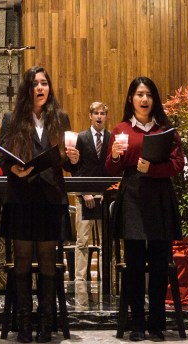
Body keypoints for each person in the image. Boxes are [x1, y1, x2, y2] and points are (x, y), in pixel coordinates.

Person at [0, 66, 75, 343]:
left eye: (44, 83)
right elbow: (2, 158)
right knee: (20, 262)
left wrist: (72, 158)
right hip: (21, 197)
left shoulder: (60, 119)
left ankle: (45, 321)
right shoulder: (12, 119)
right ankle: (23, 322)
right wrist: (14, 170)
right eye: (34, 84)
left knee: (47, 261)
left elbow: (65, 162)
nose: (40, 88)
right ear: (26, 89)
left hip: (50, 199)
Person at [106, 77, 184, 342]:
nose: (144, 99)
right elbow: (111, 168)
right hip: (133, 197)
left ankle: (157, 323)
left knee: (160, 263)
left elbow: (177, 166)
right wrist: (115, 155)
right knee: (135, 263)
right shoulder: (120, 129)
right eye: (139, 94)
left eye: (149, 94)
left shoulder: (165, 130)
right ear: (131, 99)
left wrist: (152, 169)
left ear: (155, 99)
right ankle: (136, 322)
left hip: (160, 195)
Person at [70, 101, 110, 310]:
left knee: (106, 242)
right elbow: (75, 167)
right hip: (84, 196)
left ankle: (106, 280)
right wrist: (84, 191)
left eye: (103, 113)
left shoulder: (112, 138)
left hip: (104, 197)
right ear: (90, 115)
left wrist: (107, 192)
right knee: (82, 242)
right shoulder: (81, 138)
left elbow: (113, 168)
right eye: (96, 113)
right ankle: (79, 282)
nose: (99, 116)